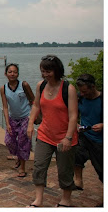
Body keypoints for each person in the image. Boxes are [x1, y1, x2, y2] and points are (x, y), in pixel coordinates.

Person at [27, 55, 78, 207]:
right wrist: (30, 124)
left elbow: (74, 116)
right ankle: (38, 199)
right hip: (45, 134)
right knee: (39, 166)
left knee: (64, 170)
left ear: (57, 70)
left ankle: (66, 199)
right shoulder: (40, 86)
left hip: (64, 137)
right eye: (43, 71)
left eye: (48, 71)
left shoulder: (68, 89)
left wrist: (68, 138)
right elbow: (36, 105)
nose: (45, 75)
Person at [0, 63, 35, 178]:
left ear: (18, 74)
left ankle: (22, 167)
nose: (12, 74)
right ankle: (19, 157)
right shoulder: (3, 88)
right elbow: (5, 106)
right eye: (10, 72)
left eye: (15, 72)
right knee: (9, 141)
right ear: (6, 74)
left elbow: (34, 101)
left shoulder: (24, 85)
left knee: (23, 142)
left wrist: (32, 118)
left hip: (25, 117)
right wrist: (7, 123)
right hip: (13, 118)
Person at [73, 74, 103, 193]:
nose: (83, 94)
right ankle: (78, 181)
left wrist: (103, 125)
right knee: (77, 154)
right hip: (84, 135)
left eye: (85, 91)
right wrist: (76, 124)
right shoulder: (80, 97)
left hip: (99, 139)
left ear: (93, 87)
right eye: (81, 91)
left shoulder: (103, 99)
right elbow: (72, 114)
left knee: (101, 168)